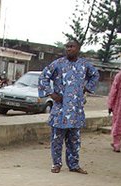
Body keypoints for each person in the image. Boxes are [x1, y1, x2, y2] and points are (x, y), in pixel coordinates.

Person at [38, 39, 99, 174]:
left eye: (72, 47)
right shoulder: (58, 64)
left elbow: (95, 75)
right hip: (60, 110)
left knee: (74, 140)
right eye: (67, 47)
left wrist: (86, 88)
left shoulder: (84, 65)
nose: (69, 49)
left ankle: (74, 165)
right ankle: (56, 164)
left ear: (78, 49)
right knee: (56, 139)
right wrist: (52, 94)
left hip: (76, 110)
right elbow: (43, 77)